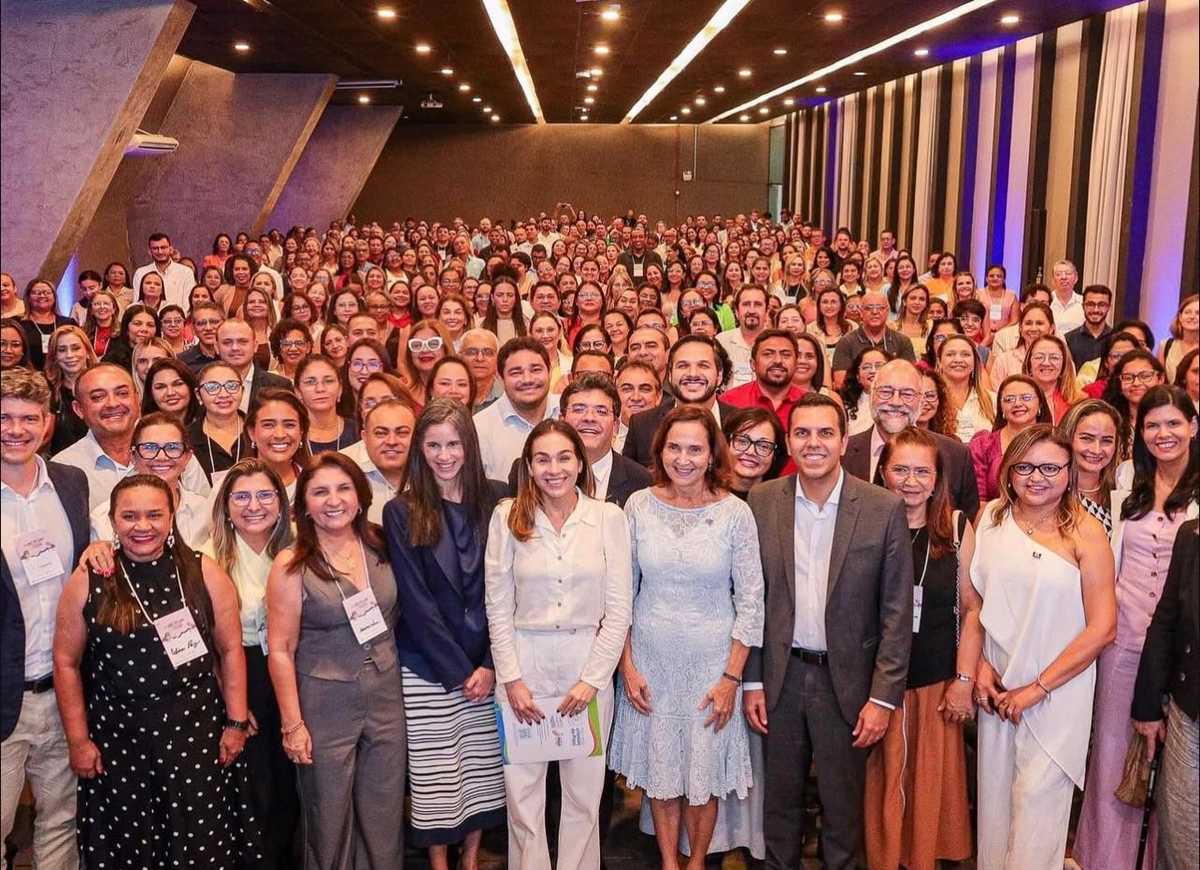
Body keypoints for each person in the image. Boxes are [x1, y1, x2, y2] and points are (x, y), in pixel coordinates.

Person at [742, 392, 912, 870]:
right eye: (801, 433)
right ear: (788, 444)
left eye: (825, 433)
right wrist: (752, 679)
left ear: (843, 442)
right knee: (778, 810)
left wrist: (882, 698)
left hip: (851, 686)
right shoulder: (763, 501)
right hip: (780, 678)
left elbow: (896, 613)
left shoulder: (882, 508)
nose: (813, 442)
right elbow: (752, 600)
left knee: (842, 815)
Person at [54, 474, 255, 867]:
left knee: (200, 841)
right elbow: (65, 663)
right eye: (129, 516)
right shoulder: (90, 578)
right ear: (112, 520)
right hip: (118, 739)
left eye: (154, 515)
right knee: (131, 845)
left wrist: (235, 722)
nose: (142, 526)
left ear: (171, 516)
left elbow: (230, 650)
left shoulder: (203, 572)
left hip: (196, 735)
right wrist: (78, 741)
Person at [609, 404, 765, 867]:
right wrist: (627, 666)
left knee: (703, 771)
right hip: (651, 664)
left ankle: (697, 861)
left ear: (712, 454)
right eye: (674, 447)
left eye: (695, 448)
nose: (684, 458)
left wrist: (731, 678)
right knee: (662, 773)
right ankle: (669, 862)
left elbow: (751, 600)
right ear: (660, 451)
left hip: (712, 666)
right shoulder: (639, 505)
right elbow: (622, 592)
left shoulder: (736, 513)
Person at [484, 420, 633, 870]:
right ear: (528, 466)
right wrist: (511, 679)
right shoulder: (507, 515)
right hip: (523, 665)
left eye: (564, 457)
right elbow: (497, 604)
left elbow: (619, 608)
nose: (554, 468)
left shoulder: (608, 517)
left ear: (579, 462)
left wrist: (592, 680)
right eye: (542, 459)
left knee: (585, 795)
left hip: (586, 664)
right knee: (523, 795)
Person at [971, 425, 1116, 870]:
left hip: (1056, 694)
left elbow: (1103, 628)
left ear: (1070, 472)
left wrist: (1036, 689)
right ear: (1008, 472)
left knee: (1037, 810)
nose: (1037, 476)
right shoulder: (992, 518)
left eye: (1051, 467)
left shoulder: (1085, 531)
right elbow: (976, 599)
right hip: (998, 691)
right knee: (995, 810)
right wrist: (978, 666)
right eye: (1025, 466)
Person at [1074, 386, 1198, 870]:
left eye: (1173, 423)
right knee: (1110, 761)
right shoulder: (1128, 484)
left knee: (1174, 775)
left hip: (1184, 652)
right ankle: (1105, 860)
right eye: (1152, 425)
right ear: (1140, 434)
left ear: (1193, 426)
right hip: (1123, 643)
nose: (1163, 434)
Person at [265, 453, 406, 869]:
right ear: (304, 504)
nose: (333, 500)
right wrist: (293, 725)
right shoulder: (291, 564)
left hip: (385, 696)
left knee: (383, 814)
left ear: (361, 497)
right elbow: (279, 650)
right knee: (328, 818)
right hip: (323, 702)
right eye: (320, 491)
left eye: (343, 488)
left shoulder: (381, 545)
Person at [383, 399, 507, 869]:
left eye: (453, 443)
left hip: (489, 665)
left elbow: (510, 588)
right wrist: (460, 672)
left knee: (480, 771)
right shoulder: (403, 509)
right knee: (437, 775)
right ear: (420, 450)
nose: (443, 455)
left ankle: (471, 859)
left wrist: (491, 665)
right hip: (429, 665)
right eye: (433, 445)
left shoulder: (497, 498)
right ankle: (439, 862)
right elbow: (416, 603)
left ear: (469, 447)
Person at [864, 427, 982, 870]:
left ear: (936, 480)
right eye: (900, 470)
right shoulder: (866, 525)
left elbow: (972, 610)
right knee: (881, 785)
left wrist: (964, 681)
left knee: (930, 783)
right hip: (877, 686)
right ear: (883, 472)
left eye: (921, 472)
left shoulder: (955, 527)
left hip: (936, 681)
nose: (910, 481)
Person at [1, 369, 90, 870]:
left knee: (62, 824)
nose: (16, 429)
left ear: (48, 424)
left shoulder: (71, 483)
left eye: (28, 418)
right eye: (5, 417)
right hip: (3, 695)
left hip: (64, 692)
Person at [205, 460, 300, 870]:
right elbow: (202, 641)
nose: (253, 506)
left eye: (265, 495)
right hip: (240, 675)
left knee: (294, 789)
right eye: (241, 496)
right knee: (255, 789)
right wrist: (234, 702)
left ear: (281, 502)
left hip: (296, 674)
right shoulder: (207, 557)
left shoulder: (301, 547)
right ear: (226, 506)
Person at [1131, 518, 1199, 870]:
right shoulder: (1192, 535)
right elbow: (1167, 619)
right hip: (1190, 710)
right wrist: (1147, 708)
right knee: (1180, 832)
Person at [841, 360, 981, 518]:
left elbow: (967, 523)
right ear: (871, 396)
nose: (895, 402)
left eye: (907, 394)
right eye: (885, 392)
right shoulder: (842, 453)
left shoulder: (956, 456)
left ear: (921, 402)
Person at [91, 412, 212, 548]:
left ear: (187, 457)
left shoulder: (206, 511)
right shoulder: (104, 517)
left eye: (172, 447)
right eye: (150, 448)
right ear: (133, 457)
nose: (161, 457)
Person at [622, 336, 737, 467]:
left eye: (703, 365)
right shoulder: (641, 425)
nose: (693, 374)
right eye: (683, 366)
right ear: (670, 375)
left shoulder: (741, 424)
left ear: (719, 375)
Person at [473, 337, 558, 479]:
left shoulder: (570, 411)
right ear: (500, 378)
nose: (527, 380)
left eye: (536, 370)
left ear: (549, 372)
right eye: (516, 373)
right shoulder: (480, 428)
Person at [969, 376, 1051, 502]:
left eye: (1026, 398)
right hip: (995, 517)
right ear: (1001, 407)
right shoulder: (984, 445)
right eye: (1009, 399)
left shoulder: (1056, 443)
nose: (1017, 404)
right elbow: (978, 499)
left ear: (1040, 404)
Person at [343, 397, 415, 523]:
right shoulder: (341, 472)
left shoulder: (433, 473)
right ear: (364, 437)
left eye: (402, 433)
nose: (392, 441)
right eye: (381, 433)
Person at [1059, 398, 1122, 536]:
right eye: (1087, 438)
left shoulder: (1123, 488)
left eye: (1106, 441)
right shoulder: (1052, 495)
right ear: (1067, 438)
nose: (1096, 450)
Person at [831, 291, 916, 388]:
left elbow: (911, 378)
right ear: (861, 312)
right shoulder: (846, 342)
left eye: (880, 308)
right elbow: (840, 382)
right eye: (868, 308)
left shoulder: (902, 341)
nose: (875, 312)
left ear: (887, 311)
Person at [190, 361, 253, 485]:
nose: (224, 394)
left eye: (232, 386)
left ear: (243, 390)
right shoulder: (187, 438)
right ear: (198, 394)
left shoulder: (257, 430)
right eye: (212, 387)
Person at [45, 324, 98, 454]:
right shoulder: (48, 391)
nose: (69, 355)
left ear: (87, 352)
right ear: (54, 356)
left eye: (76, 348)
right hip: (61, 465)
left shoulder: (104, 386)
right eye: (62, 350)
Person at [723, 407, 787, 498]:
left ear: (775, 455)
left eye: (763, 446)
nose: (751, 452)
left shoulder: (781, 502)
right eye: (743, 441)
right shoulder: (705, 495)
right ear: (726, 444)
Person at [1021, 334, 1080, 422]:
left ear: (1064, 365)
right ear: (1029, 364)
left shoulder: (1078, 403)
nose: (1046, 363)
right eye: (1039, 357)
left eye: (1054, 357)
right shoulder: (1015, 400)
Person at [132, 232, 196, 310]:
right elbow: (138, 303)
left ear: (171, 249)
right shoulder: (141, 273)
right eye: (155, 248)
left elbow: (188, 305)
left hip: (178, 320)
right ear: (149, 252)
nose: (160, 252)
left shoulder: (186, 272)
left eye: (163, 247)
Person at [1063, 285, 1113, 371]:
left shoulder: (1116, 338)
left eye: (1101, 305)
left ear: (1109, 307)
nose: (1096, 310)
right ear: (1083, 306)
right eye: (1090, 304)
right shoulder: (1068, 339)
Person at [1158, 293, 1199, 382]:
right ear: (1180, 317)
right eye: (1187, 312)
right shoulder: (1165, 346)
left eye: (1198, 313)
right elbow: (1161, 381)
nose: (1192, 317)